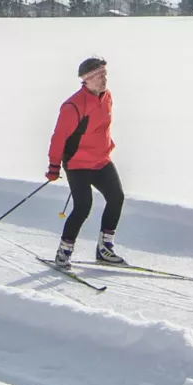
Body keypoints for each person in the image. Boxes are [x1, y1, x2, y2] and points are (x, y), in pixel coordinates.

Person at [45, 56, 125, 268]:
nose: (103, 79)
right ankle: (64, 252)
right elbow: (59, 137)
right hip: (78, 163)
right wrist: (54, 166)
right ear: (86, 79)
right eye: (98, 75)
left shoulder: (107, 97)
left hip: (101, 161)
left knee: (116, 198)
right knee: (83, 206)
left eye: (105, 74)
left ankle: (105, 249)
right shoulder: (73, 106)